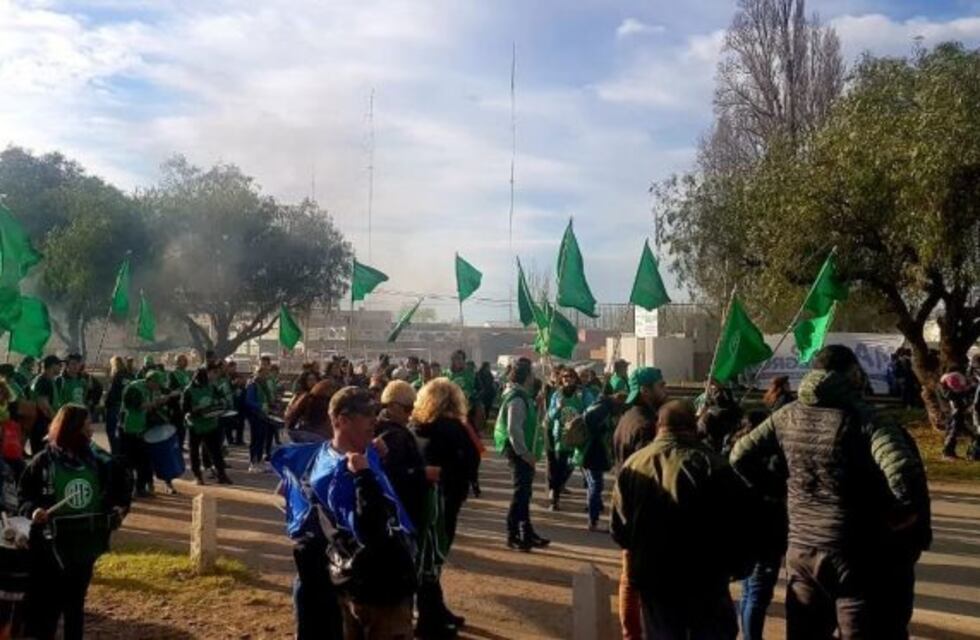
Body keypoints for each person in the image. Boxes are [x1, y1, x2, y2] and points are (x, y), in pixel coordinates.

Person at [731, 345, 931, 639]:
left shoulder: (786, 415)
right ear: (851, 374)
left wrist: (781, 490)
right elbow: (902, 473)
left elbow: (739, 456)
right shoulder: (867, 419)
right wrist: (900, 516)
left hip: (802, 549)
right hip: (855, 553)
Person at [280, 386, 416, 639]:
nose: (374, 421)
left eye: (376, 412)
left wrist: (376, 460)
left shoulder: (345, 454)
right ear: (342, 420)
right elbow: (371, 531)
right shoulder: (341, 471)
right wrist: (364, 476)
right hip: (377, 585)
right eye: (367, 415)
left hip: (363, 579)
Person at [612, 400, 745, 639]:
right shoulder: (715, 466)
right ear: (693, 427)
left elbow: (620, 530)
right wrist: (736, 567)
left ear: (658, 427)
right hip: (706, 579)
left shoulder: (634, 465)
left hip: (655, 578)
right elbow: (737, 525)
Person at [18, 405, 131, 640]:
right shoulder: (43, 462)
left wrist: (119, 509)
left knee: (75, 604)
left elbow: (121, 488)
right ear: (73, 429)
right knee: (49, 606)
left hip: (85, 544)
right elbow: (24, 497)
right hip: (52, 547)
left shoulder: (98, 460)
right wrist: (34, 511)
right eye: (87, 425)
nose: (91, 431)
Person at [411, 378, 480, 636]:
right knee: (433, 558)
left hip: (424, 498)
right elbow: (470, 461)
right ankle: (429, 617)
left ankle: (435, 608)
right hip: (444, 499)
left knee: (428, 558)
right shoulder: (453, 429)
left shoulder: (417, 426)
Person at [610, 366, 667, 640]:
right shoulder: (646, 426)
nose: (665, 391)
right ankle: (634, 632)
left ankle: (632, 632)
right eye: (661, 385)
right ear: (645, 390)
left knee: (631, 577)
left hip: (629, 505)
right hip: (643, 511)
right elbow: (653, 469)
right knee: (638, 581)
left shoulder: (627, 418)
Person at [494, 357, 549, 552]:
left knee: (525, 493)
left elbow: (533, 422)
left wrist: (539, 405)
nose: (534, 378)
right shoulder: (516, 398)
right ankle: (513, 533)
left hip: (524, 450)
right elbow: (513, 429)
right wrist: (525, 454)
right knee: (521, 493)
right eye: (532, 374)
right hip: (518, 451)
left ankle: (527, 531)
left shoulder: (524, 396)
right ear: (526, 377)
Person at [578, 392, 625, 531]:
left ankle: (593, 516)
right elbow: (590, 421)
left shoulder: (600, 404)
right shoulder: (603, 408)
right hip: (593, 451)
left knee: (593, 484)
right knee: (596, 485)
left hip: (590, 450)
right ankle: (593, 521)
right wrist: (602, 429)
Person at [120, 370, 170, 496]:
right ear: (150, 381)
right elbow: (138, 406)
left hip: (141, 428)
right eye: (157, 384)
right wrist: (157, 403)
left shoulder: (150, 390)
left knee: (144, 461)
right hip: (129, 429)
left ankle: (140, 488)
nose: (158, 388)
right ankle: (127, 490)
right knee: (129, 462)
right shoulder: (134, 388)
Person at [183, 363, 232, 486]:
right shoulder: (189, 390)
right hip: (196, 425)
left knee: (216, 451)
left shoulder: (211, 387)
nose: (205, 382)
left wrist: (218, 404)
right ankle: (198, 476)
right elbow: (184, 409)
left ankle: (222, 474)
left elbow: (221, 399)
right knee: (194, 452)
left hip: (211, 423)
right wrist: (195, 409)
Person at [545, 368, 583, 511]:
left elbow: (587, 409)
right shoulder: (557, 395)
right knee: (559, 467)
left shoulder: (580, 394)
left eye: (571, 376)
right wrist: (558, 407)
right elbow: (550, 416)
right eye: (565, 376)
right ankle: (555, 498)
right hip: (561, 436)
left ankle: (559, 486)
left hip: (577, 435)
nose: (568, 379)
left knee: (573, 464)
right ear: (561, 379)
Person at [938, 368, 976, 460]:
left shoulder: (945, 383)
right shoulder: (951, 380)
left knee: (958, 431)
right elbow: (956, 392)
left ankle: (951, 452)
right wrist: (969, 388)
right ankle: (947, 452)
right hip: (955, 411)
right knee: (953, 431)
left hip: (955, 410)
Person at [29, 356, 62, 457]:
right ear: (52, 366)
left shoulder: (46, 380)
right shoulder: (43, 381)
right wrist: (57, 421)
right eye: (59, 365)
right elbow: (44, 406)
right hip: (41, 425)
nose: (61, 368)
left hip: (42, 424)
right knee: (42, 458)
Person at [104, 356, 131, 455]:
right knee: (122, 432)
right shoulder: (129, 375)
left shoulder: (117, 376)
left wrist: (106, 403)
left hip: (115, 406)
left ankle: (115, 454)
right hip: (126, 408)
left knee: (112, 431)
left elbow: (112, 393)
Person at [168, 354, 193, 449]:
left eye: (185, 360)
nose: (185, 362)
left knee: (183, 426)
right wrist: (180, 390)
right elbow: (170, 389)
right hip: (176, 404)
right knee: (176, 426)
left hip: (186, 403)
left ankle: (181, 444)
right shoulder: (173, 374)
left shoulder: (187, 373)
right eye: (182, 360)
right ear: (177, 362)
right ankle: (175, 445)